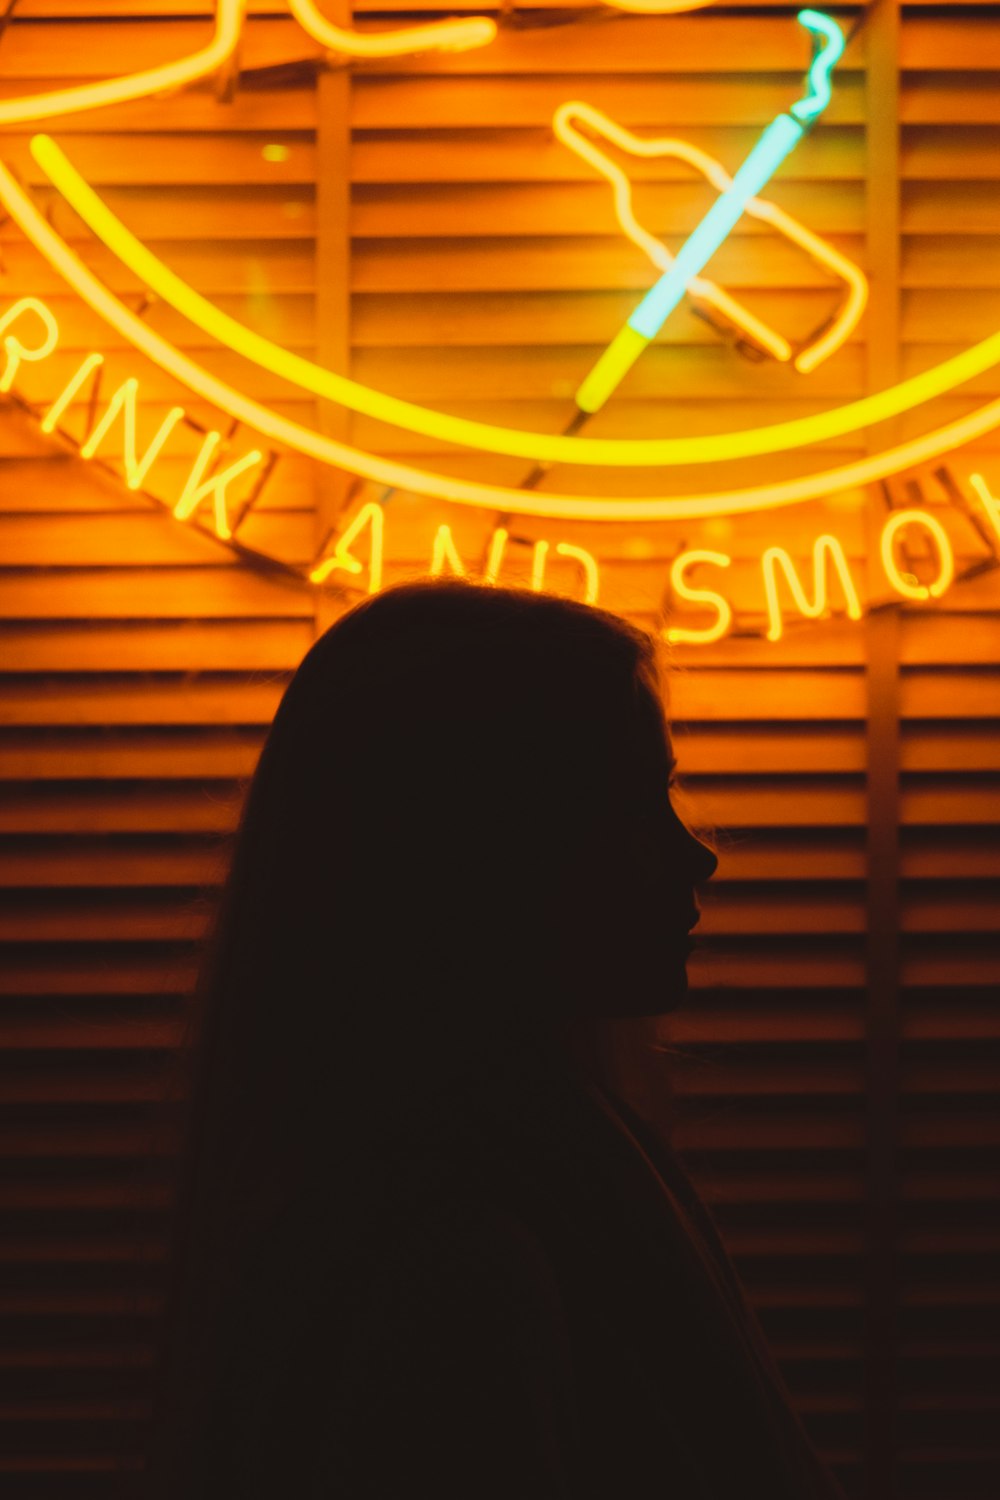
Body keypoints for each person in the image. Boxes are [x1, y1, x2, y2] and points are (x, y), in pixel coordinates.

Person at [145, 580, 842, 1499]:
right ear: (488, 847)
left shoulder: (486, 1181)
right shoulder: (467, 1263)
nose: (694, 852)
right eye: (632, 802)